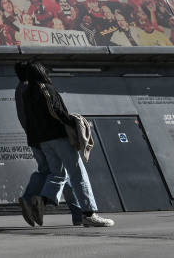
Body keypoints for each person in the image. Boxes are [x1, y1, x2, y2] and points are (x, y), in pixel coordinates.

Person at [16, 61, 114, 228]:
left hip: (43, 141)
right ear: (41, 72)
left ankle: (41, 201)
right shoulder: (45, 88)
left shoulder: (26, 93)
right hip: (58, 137)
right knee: (78, 174)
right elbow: (55, 109)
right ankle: (89, 214)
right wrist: (72, 122)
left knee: (58, 174)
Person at [13, 61, 83, 227]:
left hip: (34, 137)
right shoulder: (32, 88)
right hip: (45, 137)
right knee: (61, 173)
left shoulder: (20, 88)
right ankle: (40, 202)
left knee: (50, 172)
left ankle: (32, 200)